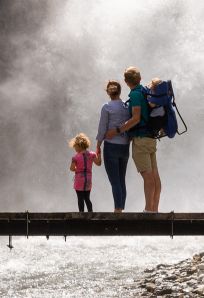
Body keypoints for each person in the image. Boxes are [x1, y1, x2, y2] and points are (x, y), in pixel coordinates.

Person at [105, 66, 161, 212]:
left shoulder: (136, 94)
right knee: (154, 176)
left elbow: (136, 119)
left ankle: (148, 210)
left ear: (125, 82)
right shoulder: (146, 91)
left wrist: (116, 131)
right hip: (150, 138)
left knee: (148, 176)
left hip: (141, 140)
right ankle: (154, 210)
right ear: (140, 78)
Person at [96, 79, 131, 212]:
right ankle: (121, 209)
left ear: (108, 92)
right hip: (125, 146)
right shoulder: (127, 106)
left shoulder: (106, 107)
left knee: (115, 181)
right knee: (122, 180)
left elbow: (102, 128)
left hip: (111, 147)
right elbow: (130, 125)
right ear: (120, 91)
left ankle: (117, 210)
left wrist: (98, 146)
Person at [69, 133, 101, 212]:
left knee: (80, 198)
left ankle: (81, 214)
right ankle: (91, 213)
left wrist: (77, 168)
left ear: (79, 145)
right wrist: (99, 155)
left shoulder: (75, 157)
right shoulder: (92, 155)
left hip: (79, 179)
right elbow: (99, 163)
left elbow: (72, 169)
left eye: (75, 147)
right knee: (87, 198)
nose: (75, 149)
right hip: (88, 179)